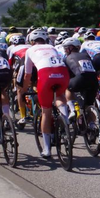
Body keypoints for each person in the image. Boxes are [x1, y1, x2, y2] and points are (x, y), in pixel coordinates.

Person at [22, 30, 70, 160]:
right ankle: (65, 120)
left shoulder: (30, 50)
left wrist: (24, 89)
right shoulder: (52, 47)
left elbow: (27, 74)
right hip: (63, 73)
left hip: (46, 76)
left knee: (46, 112)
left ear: (31, 41)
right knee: (60, 96)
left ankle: (47, 149)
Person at [61, 38, 99, 131]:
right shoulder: (86, 55)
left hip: (79, 79)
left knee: (67, 87)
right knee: (89, 105)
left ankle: (72, 109)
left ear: (71, 48)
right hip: (93, 80)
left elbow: (66, 75)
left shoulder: (67, 58)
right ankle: (92, 125)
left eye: (66, 48)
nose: (65, 50)